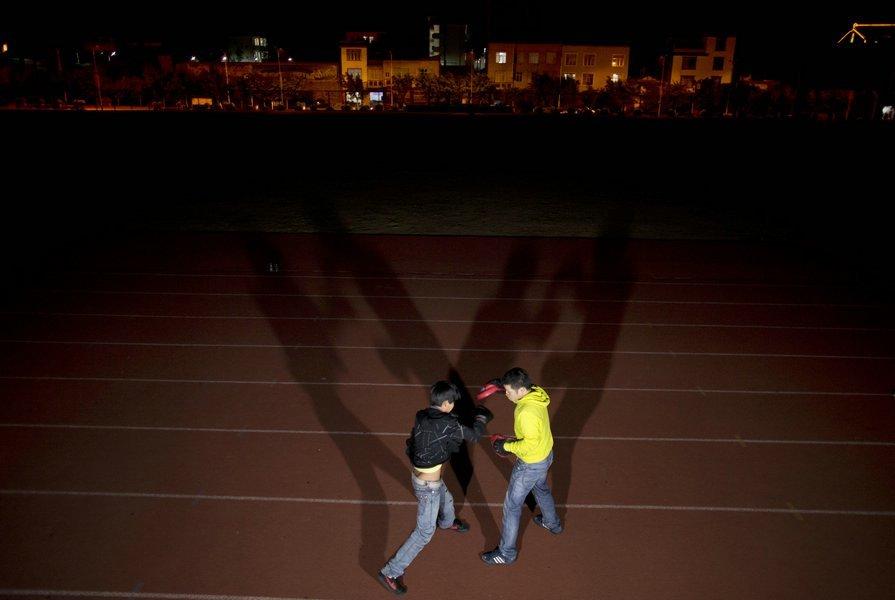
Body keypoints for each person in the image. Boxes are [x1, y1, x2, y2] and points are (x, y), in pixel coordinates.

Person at [378, 380, 493, 595]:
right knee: (424, 533)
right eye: (453, 403)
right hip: (428, 486)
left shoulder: (422, 415)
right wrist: (480, 418)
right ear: (447, 403)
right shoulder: (449, 423)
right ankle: (391, 572)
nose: (453, 406)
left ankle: (447, 522)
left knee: (447, 500)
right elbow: (474, 436)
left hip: (426, 478)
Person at [481, 367, 562, 566]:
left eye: (508, 391)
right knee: (541, 488)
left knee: (512, 506)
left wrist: (505, 445)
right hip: (546, 454)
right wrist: (502, 385)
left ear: (520, 391)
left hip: (530, 463)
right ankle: (553, 524)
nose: (506, 394)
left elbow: (529, 443)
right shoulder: (537, 393)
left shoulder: (526, 412)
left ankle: (506, 553)